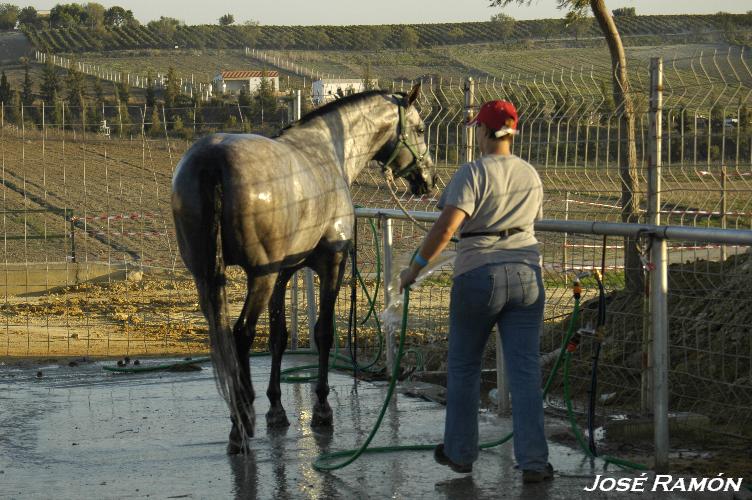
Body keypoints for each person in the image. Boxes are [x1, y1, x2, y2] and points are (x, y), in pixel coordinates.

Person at [399, 100, 553, 483]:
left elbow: (446, 228)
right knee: (524, 371)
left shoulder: (471, 173)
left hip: (478, 275)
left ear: (485, 132)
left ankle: (461, 453)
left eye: (477, 129)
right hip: (527, 275)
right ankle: (535, 462)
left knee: (465, 366)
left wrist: (414, 268)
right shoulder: (530, 174)